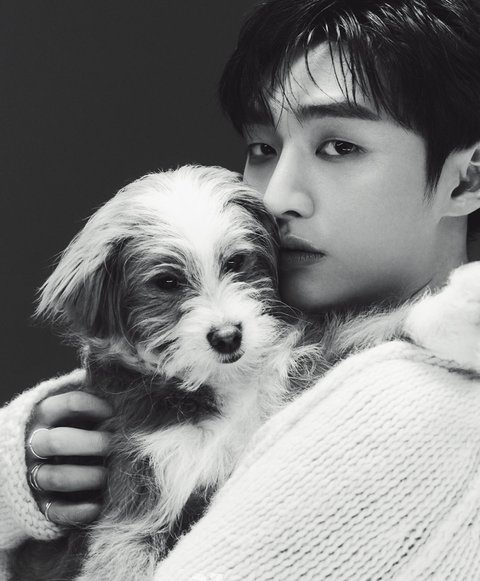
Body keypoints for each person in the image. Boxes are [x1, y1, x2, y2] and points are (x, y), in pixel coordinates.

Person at [2, 0, 480, 578]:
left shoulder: (412, 411)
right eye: (263, 148)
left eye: (339, 147)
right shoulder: (282, 336)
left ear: (467, 178)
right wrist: (17, 478)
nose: (274, 199)